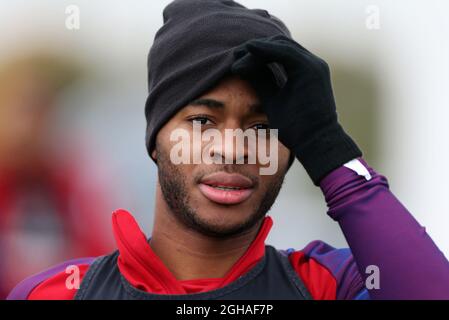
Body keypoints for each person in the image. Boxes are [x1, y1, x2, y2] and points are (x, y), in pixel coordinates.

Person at [8, 0, 449, 300]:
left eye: (263, 127)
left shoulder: (330, 285)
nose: (233, 149)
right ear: (156, 139)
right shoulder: (58, 293)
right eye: (203, 121)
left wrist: (328, 145)